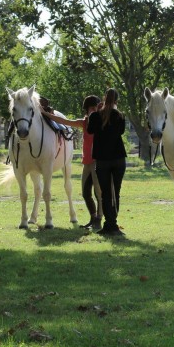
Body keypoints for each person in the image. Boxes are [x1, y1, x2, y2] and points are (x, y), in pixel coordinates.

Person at [42, 95, 104, 230]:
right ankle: (93, 217)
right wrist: (45, 113)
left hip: (98, 162)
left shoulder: (102, 121)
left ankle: (99, 219)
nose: (93, 110)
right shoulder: (83, 122)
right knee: (86, 193)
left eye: (95, 108)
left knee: (98, 193)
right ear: (86, 110)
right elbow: (64, 121)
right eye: (91, 108)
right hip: (87, 162)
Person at [87, 88, 127, 236]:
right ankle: (112, 224)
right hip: (118, 158)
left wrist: (94, 112)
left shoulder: (96, 116)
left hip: (102, 159)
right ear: (117, 100)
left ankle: (109, 225)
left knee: (105, 193)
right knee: (115, 192)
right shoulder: (120, 116)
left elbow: (90, 131)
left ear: (104, 98)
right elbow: (121, 132)